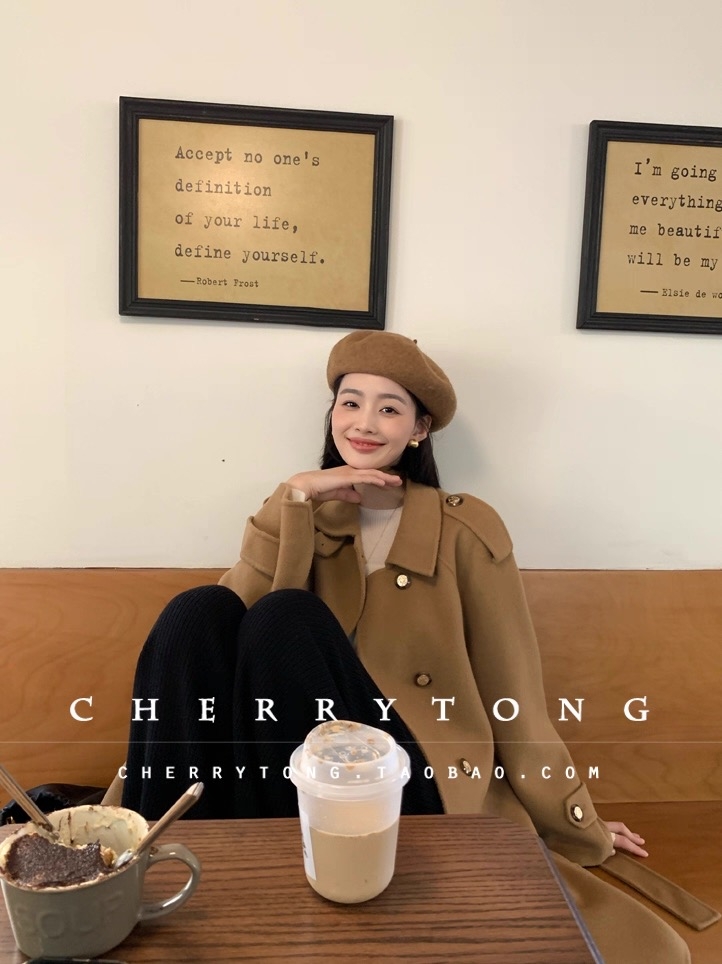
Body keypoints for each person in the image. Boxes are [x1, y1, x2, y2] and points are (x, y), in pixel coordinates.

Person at [113, 330, 692, 962]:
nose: (364, 422)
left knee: (287, 616)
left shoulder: (466, 528)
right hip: (288, 766)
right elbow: (222, 644)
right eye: (350, 402)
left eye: (389, 408)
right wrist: (293, 500)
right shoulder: (302, 514)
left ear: (419, 428)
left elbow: (514, 693)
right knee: (197, 609)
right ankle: (141, 860)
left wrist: (576, 818)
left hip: (406, 776)